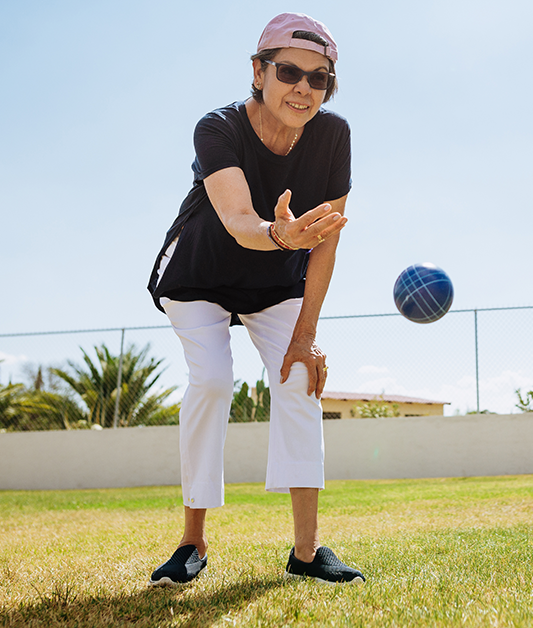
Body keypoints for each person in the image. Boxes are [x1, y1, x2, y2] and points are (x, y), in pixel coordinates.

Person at [145, 12, 364, 585]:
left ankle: (307, 553)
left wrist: (307, 335)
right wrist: (279, 234)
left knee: (299, 377)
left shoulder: (333, 135)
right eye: (289, 71)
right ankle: (191, 543)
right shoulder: (217, 128)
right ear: (259, 71)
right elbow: (240, 219)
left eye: (319, 78)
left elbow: (327, 242)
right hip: (200, 272)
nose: (303, 88)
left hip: (275, 281)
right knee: (213, 380)